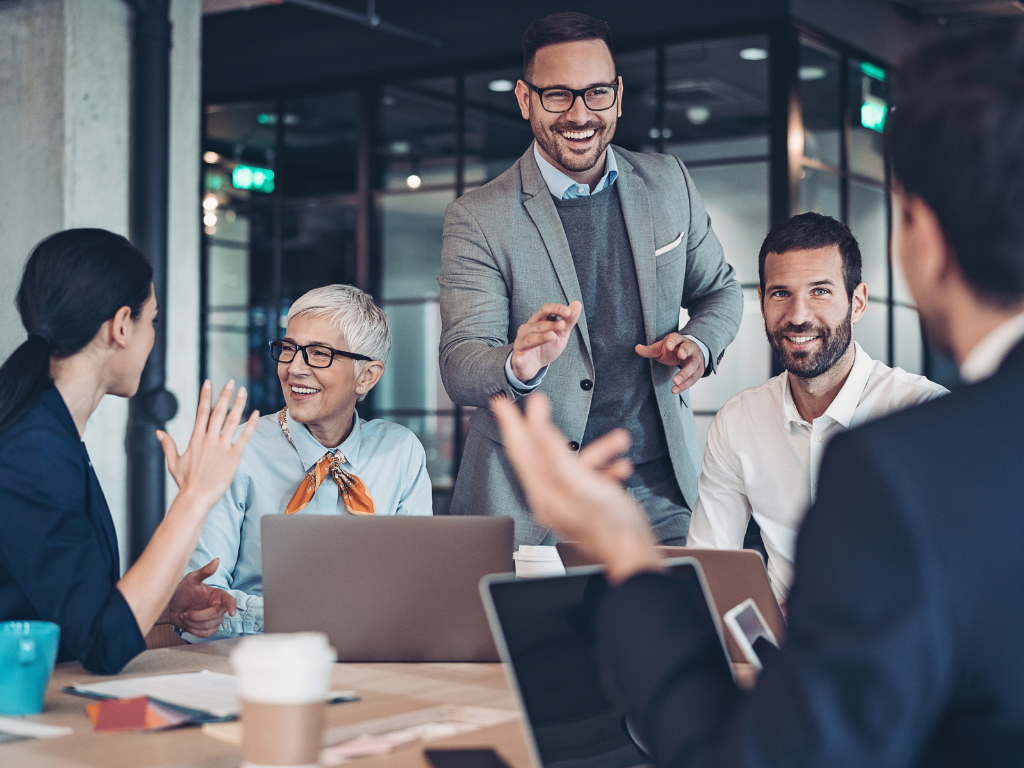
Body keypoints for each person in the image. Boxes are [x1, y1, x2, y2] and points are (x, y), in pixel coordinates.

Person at [491, 22, 1024, 766]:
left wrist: (622, 550)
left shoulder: (904, 462)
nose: (796, 314)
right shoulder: (754, 423)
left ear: (922, 242)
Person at [439, 12, 743, 546]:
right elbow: (461, 363)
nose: (580, 114)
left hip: (659, 491)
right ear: (524, 99)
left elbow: (719, 290)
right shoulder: (479, 216)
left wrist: (697, 342)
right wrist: (517, 362)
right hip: (535, 499)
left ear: (618, 95)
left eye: (597, 93)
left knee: (675, 628)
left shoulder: (669, 183)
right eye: (557, 95)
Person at [0, 229, 257, 675]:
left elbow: (74, 611)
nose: (151, 337)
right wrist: (195, 497)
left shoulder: (47, 434)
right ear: (121, 326)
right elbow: (102, 646)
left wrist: (160, 604)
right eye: (151, 321)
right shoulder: (33, 451)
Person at [687, 212, 945, 598]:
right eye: (781, 293)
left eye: (819, 291)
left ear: (857, 303)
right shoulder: (739, 420)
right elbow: (707, 568)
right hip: (778, 652)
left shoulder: (924, 413)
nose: (797, 316)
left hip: (893, 650)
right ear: (761, 301)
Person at [185, 285, 432, 640]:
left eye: (319, 354)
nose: (294, 368)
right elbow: (204, 603)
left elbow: (412, 589)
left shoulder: (400, 452)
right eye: (289, 349)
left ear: (368, 376)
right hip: (250, 661)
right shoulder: (238, 448)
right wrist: (319, 621)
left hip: (370, 658)